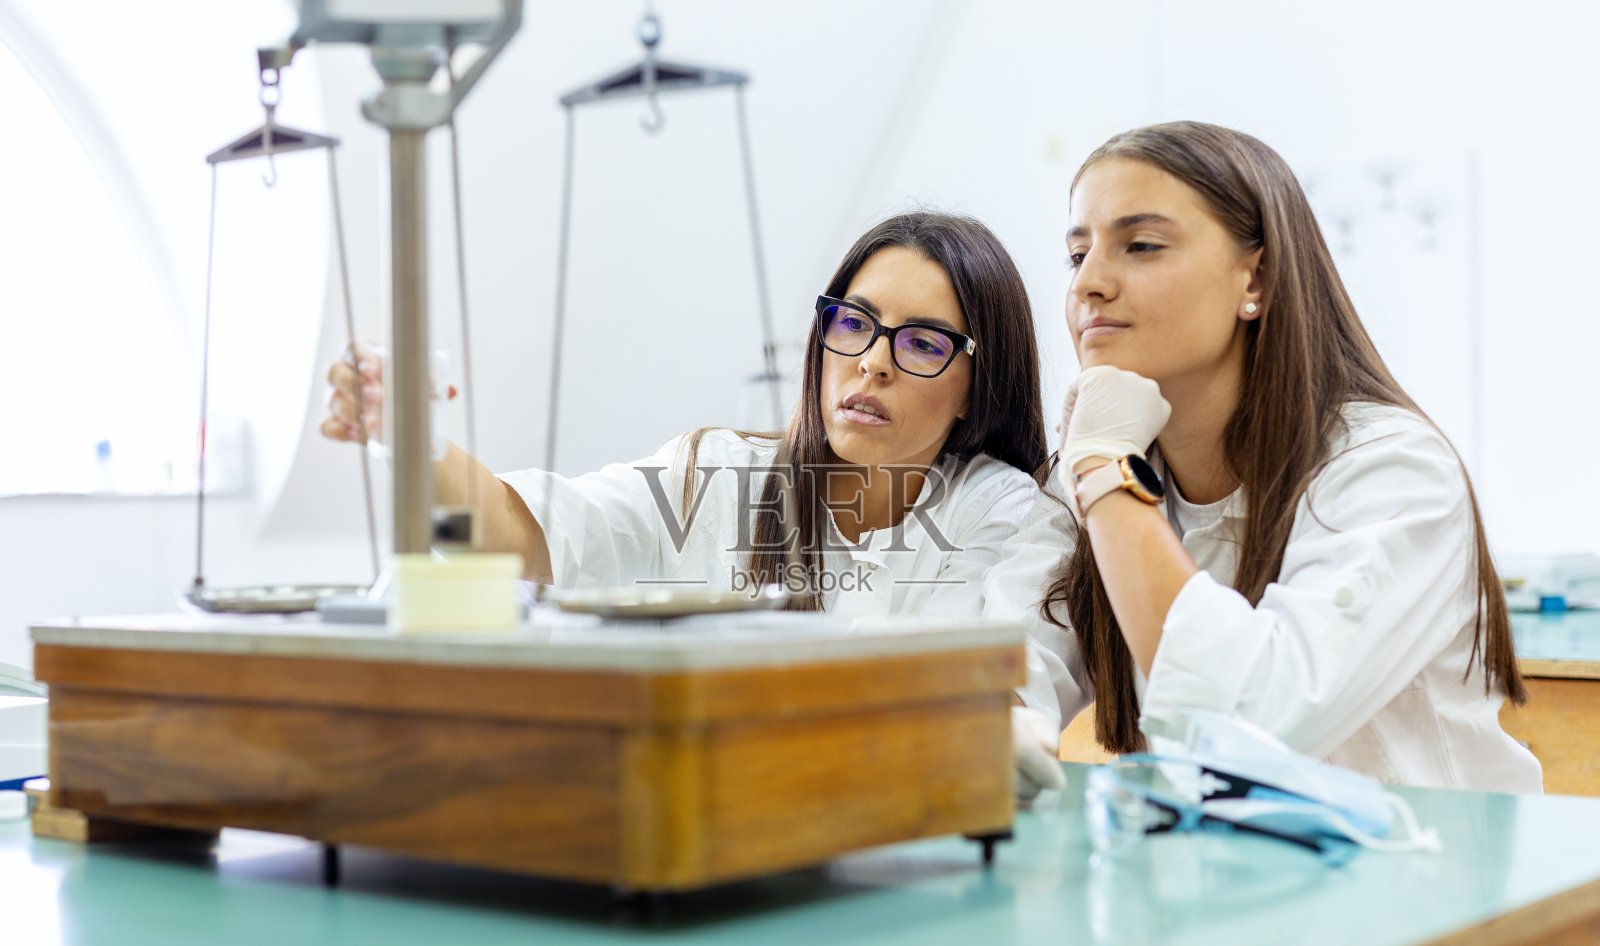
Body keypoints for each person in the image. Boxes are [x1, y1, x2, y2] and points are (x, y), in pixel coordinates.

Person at [988, 121, 1541, 800]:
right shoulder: (1090, 468)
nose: (1089, 284)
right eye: (1078, 254)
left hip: (1429, 860)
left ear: (1257, 277)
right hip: (1231, 859)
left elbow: (1251, 723)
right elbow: (1007, 659)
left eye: (1141, 245)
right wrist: (993, 721)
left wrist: (1105, 471)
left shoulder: (1393, 468)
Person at [323, 211, 1049, 622]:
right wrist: (411, 436)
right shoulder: (715, 476)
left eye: (922, 343)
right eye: (854, 323)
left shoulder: (998, 509)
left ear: (976, 386)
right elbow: (522, 533)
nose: (872, 362)